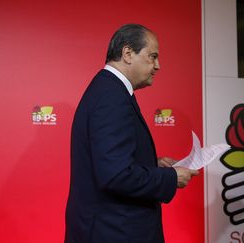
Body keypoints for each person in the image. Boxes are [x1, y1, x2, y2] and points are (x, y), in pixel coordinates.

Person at [64, 24, 199, 243]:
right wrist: (170, 178)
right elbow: (116, 175)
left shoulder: (109, 90)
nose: (158, 66)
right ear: (127, 53)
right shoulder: (111, 96)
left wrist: (151, 165)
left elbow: (109, 162)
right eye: (152, 56)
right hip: (114, 232)